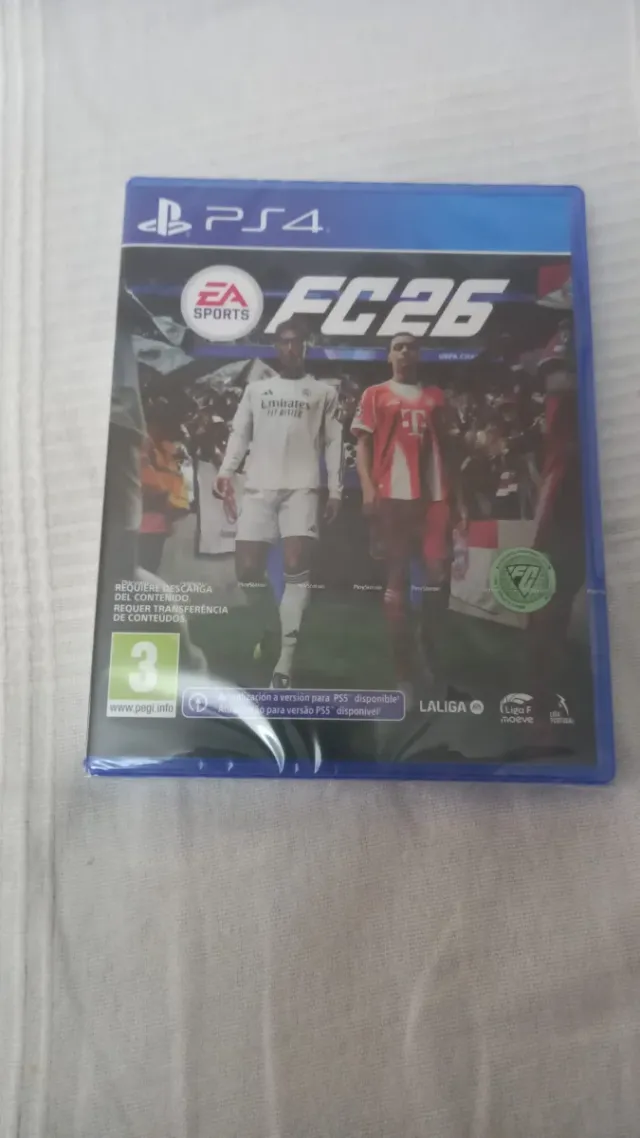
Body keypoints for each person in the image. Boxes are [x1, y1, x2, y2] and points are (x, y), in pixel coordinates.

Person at [215, 321, 343, 688]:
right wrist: (226, 471)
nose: (290, 348)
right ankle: (273, 627)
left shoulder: (323, 392)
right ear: (276, 347)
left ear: (306, 346)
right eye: (284, 343)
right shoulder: (257, 390)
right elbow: (240, 433)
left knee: (295, 566)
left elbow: (334, 442)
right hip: (259, 486)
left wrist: (335, 489)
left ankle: (284, 664)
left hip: (302, 488)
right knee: (247, 571)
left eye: (296, 342)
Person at [352, 332, 465, 701]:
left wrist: (459, 498)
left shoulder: (436, 396)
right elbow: (362, 444)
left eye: (411, 347)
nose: (404, 352)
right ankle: (404, 671)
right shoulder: (375, 394)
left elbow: (450, 448)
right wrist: (367, 488)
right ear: (389, 356)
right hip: (392, 497)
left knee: (437, 577)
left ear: (419, 355)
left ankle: (428, 654)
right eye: (398, 347)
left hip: (435, 497)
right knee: (396, 580)